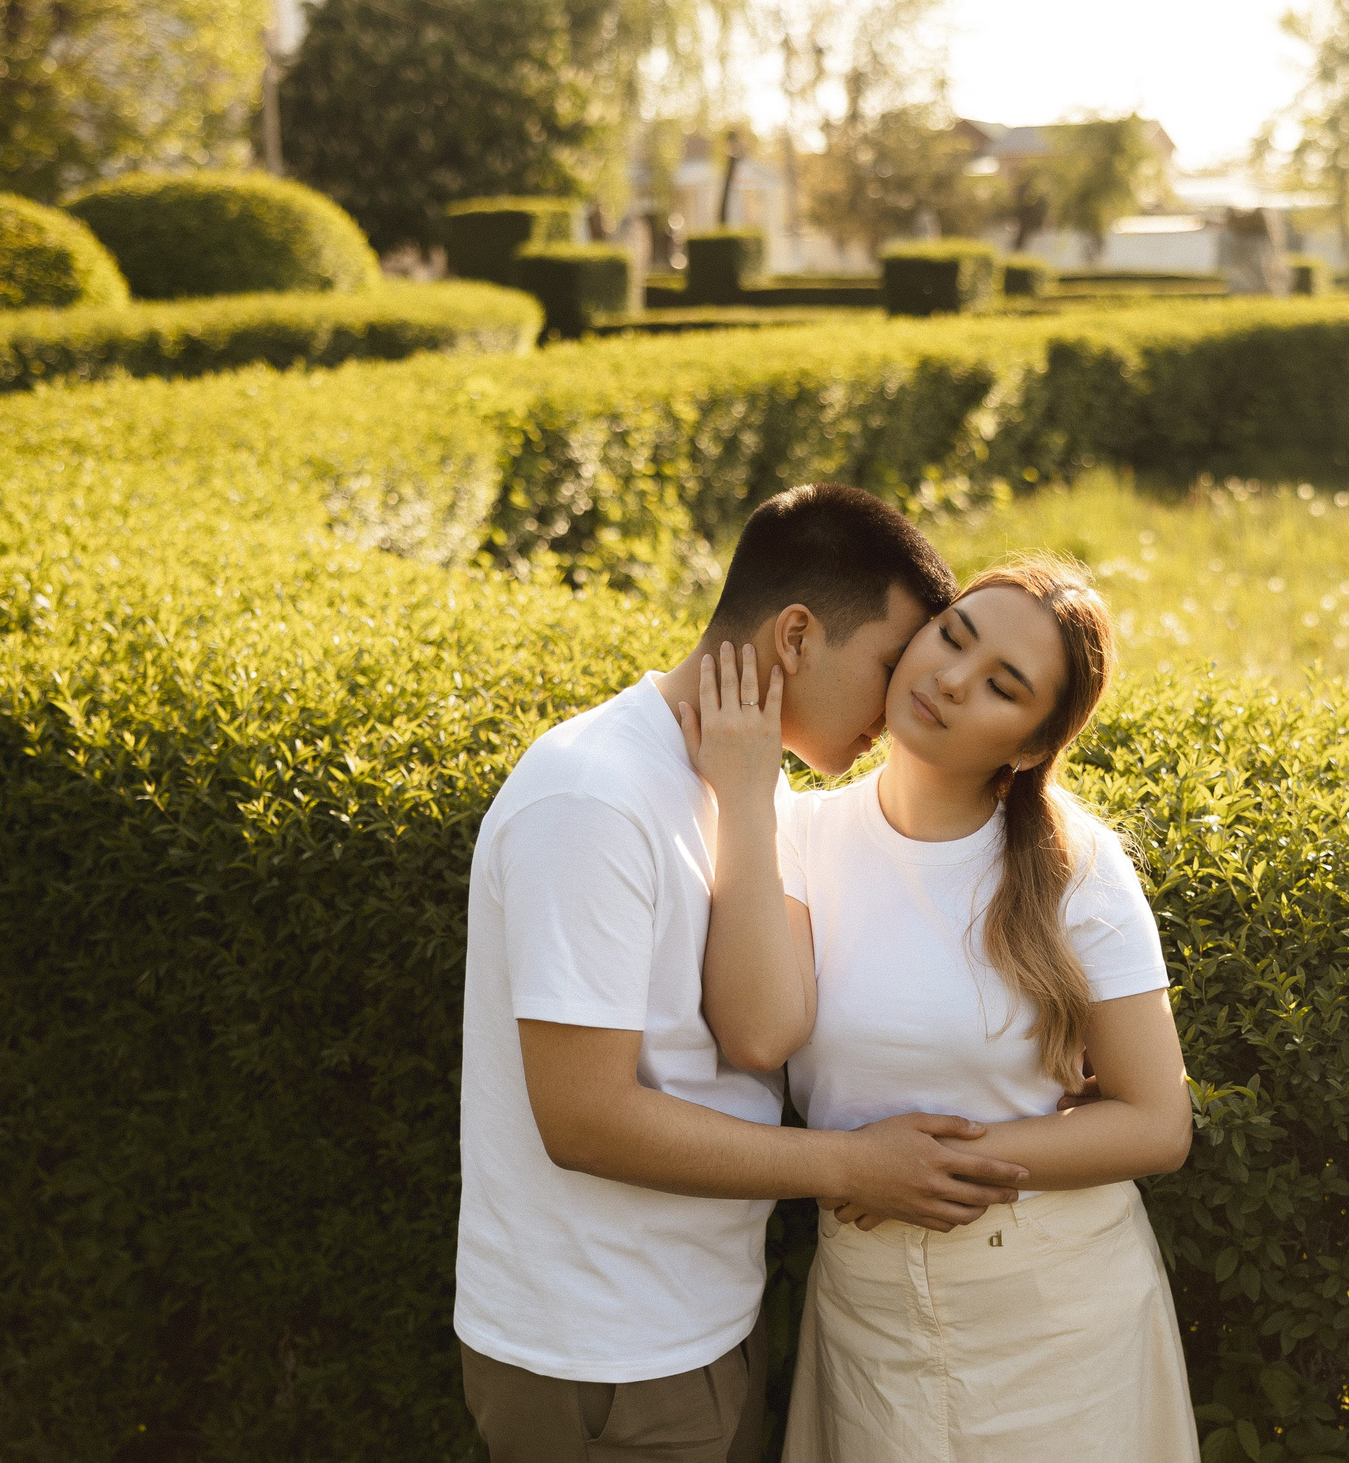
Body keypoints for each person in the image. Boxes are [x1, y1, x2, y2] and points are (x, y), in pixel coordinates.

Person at [456, 484, 1042, 1463]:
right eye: (891, 663)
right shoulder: (593, 797)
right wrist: (853, 1166)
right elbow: (583, 1119)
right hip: (604, 1358)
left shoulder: (740, 780)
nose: (905, 701)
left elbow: (758, 1038)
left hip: (700, 1326)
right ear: (798, 635)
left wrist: (747, 795)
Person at [682, 555, 1198, 1462]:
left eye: (1002, 686)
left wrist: (912, 1166)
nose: (952, 679)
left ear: (1032, 743)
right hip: (869, 1315)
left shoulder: (1079, 865)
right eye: (953, 635)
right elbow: (759, 1031)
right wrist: (746, 794)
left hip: (1059, 1318)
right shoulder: (800, 835)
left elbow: (1158, 1121)